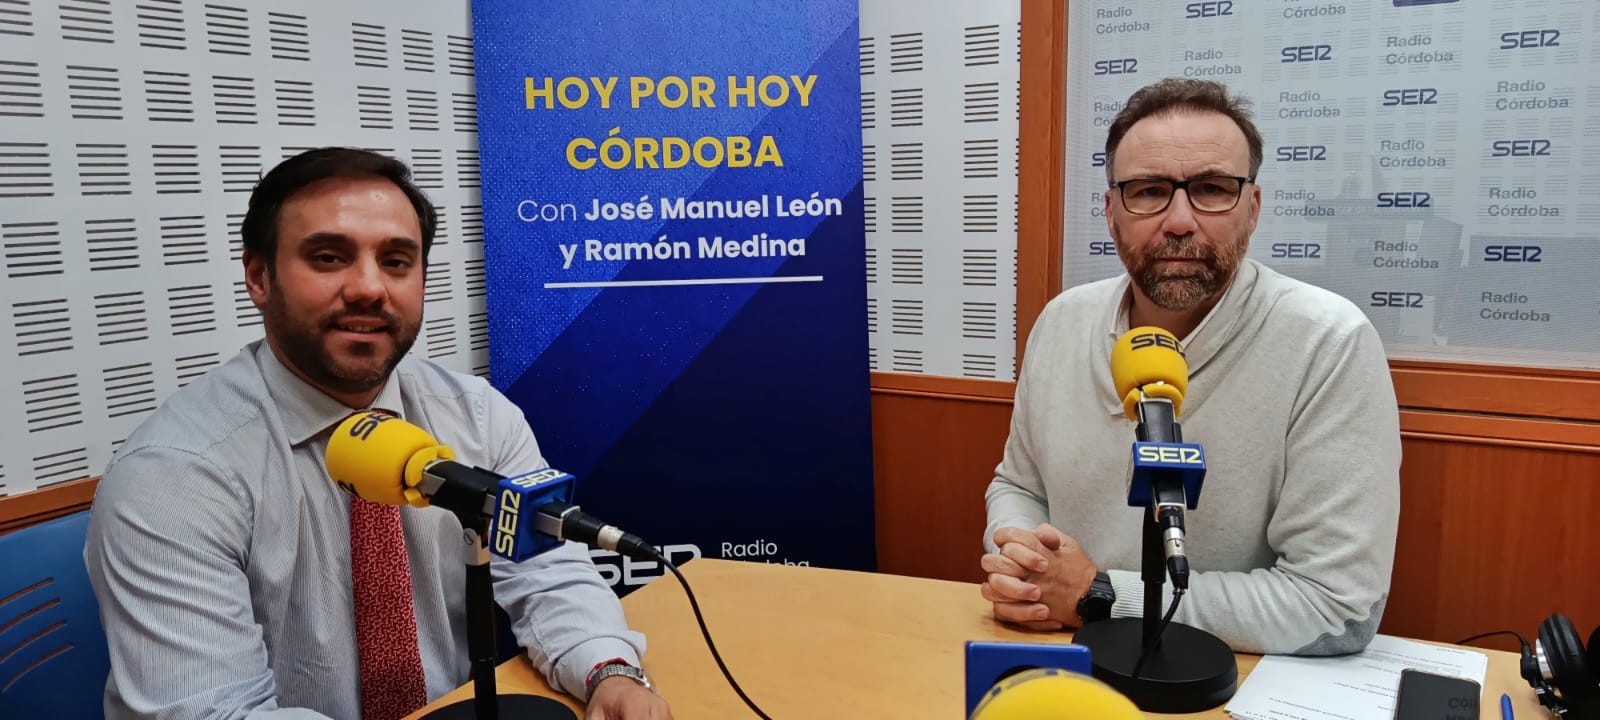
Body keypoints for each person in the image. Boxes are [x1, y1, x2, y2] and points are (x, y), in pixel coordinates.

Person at [85, 148, 673, 720]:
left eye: (395, 261)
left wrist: (610, 670)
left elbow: (546, 571)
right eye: (328, 257)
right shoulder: (173, 474)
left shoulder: (477, 417)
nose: (369, 288)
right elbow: (214, 710)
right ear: (259, 277)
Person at [980, 78, 1401, 655]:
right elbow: (1018, 484)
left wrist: (1095, 594)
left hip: (1220, 678)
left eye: (1210, 189)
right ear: (1110, 213)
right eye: (1149, 191)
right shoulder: (1062, 322)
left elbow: (1336, 607)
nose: (1179, 221)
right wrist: (1026, 559)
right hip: (1057, 649)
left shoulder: (1329, 342)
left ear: (1253, 208)